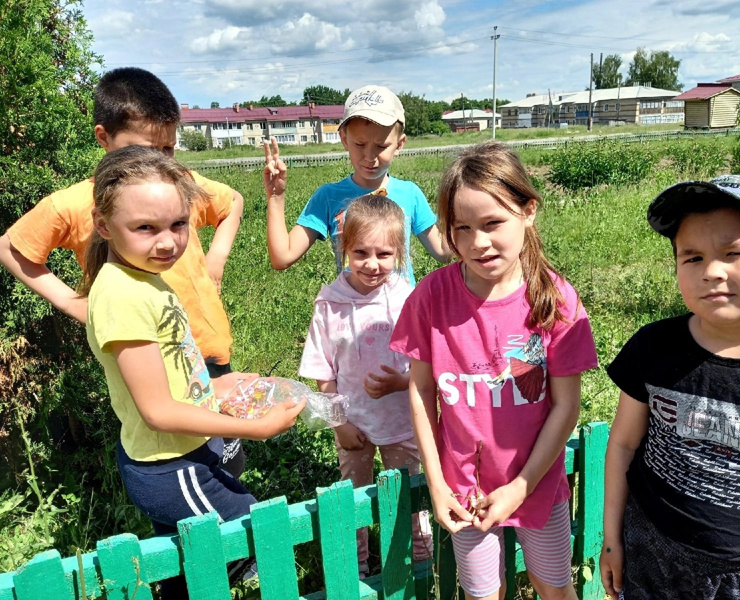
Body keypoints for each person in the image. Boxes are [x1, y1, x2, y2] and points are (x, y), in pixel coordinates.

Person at [0, 67, 248, 477]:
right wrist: (75, 302)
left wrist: (215, 258)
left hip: (207, 350)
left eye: (168, 149)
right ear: (104, 138)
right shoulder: (80, 202)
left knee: (226, 463)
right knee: (178, 466)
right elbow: (11, 248)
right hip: (154, 362)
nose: (161, 162)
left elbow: (232, 201)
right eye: (148, 150)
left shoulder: (178, 182)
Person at [82, 145, 306, 598]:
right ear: (104, 226)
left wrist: (217, 384)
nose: (167, 242)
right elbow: (159, 411)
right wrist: (256, 427)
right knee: (257, 535)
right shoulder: (123, 296)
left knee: (186, 563)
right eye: (145, 227)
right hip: (171, 465)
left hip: (175, 456)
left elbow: (171, 370)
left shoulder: (142, 275)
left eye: (178, 224)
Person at [390, 141, 598, 600]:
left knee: (554, 586)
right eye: (461, 229)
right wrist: (437, 483)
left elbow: (566, 405)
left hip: (538, 484)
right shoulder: (430, 298)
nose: (477, 243)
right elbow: (421, 392)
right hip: (464, 490)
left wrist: (521, 487)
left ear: (528, 211)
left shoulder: (556, 300)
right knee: (484, 594)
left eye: (492, 223)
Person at [601, 174, 740, 600]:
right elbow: (622, 445)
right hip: (653, 550)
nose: (711, 271)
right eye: (691, 257)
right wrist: (612, 539)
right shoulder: (654, 347)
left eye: (735, 253)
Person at [298, 193, 434, 578]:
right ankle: (355, 572)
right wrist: (339, 423)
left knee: (409, 498)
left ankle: (417, 568)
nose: (372, 265)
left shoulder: (410, 299)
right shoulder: (329, 303)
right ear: (343, 248)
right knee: (353, 500)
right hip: (352, 424)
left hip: (402, 422)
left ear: (400, 253)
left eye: (384, 254)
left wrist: (400, 382)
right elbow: (323, 372)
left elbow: (429, 366)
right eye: (360, 252)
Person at [264, 84, 450, 286]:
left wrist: (463, 208)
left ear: (400, 144)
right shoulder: (328, 197)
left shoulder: (410, 194)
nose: (369, 157)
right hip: (351, 314)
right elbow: (282, 258)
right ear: (344, 139)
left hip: (402, 314)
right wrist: (275, 197)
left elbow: (443, 252)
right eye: (359, 144)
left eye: (381, 146)